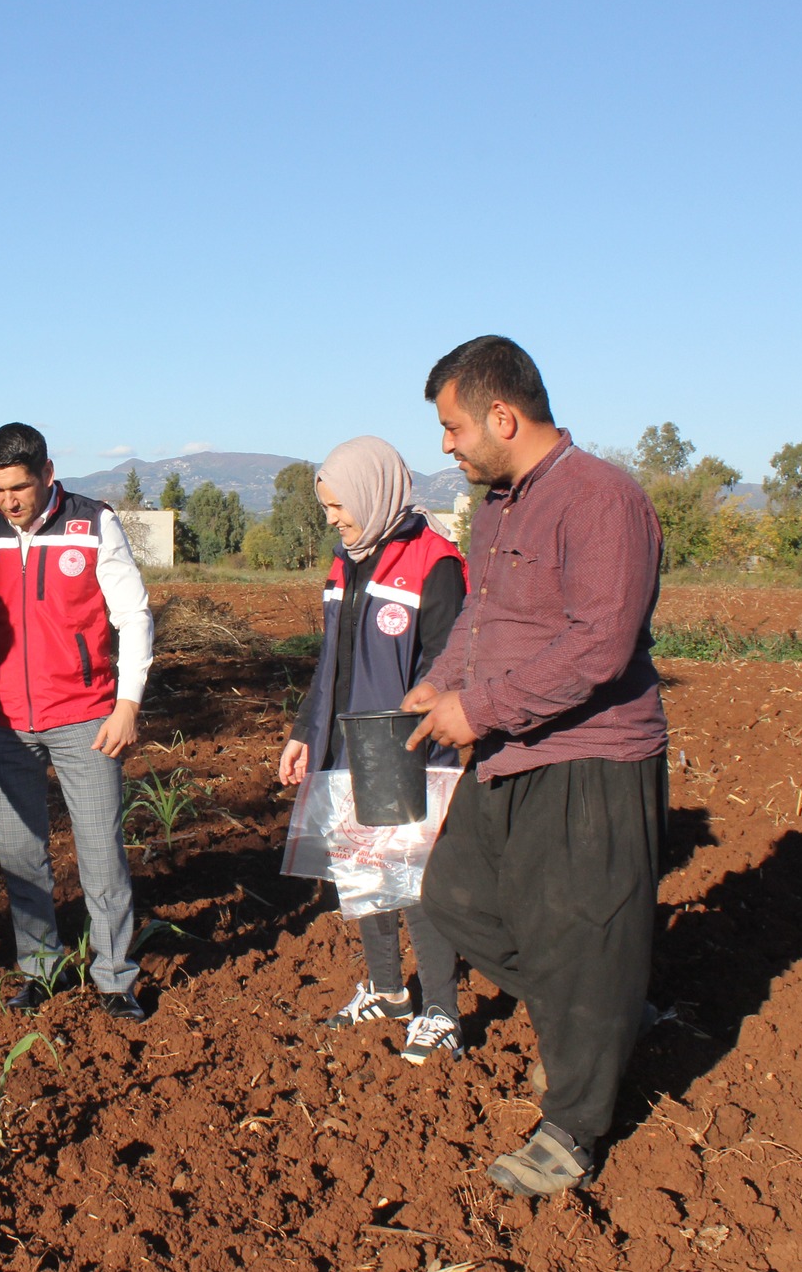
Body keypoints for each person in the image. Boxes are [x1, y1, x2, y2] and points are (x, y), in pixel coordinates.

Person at [402, 336, 668, 1196]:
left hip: (589, 756)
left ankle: (575, 1125)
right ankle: (600, 1009)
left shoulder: (602, 499)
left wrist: (473, 710)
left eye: (452, 428)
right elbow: (484, 614)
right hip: (510, 751)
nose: (446, 445)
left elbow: (600, 646)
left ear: (502, 417)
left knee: (578, 933)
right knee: (455, 899)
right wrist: (441, 681)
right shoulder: (498, 507)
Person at [0, 423, 155, 1022]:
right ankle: (40, 969)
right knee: (20, 852)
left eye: (20, 488)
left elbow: (132, 616)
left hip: (86, 717)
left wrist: (128, 703)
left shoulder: (94, 522)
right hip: (2, 721)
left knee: (101, 850)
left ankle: (114, 978)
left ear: (48, 474)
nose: (8, 502)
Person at [276, 436, 467, 1065]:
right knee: (362, 874)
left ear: (372, 493)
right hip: (343, 744)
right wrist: (307, 732)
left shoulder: (435, 563)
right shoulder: (346, 560)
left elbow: (450, 663)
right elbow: (330, 663)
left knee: (412, 882)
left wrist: (418, 740)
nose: (332, 518)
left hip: (402, 748)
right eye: (328, 508)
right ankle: (388, 992)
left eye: (338, 506)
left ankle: (440, 1009)